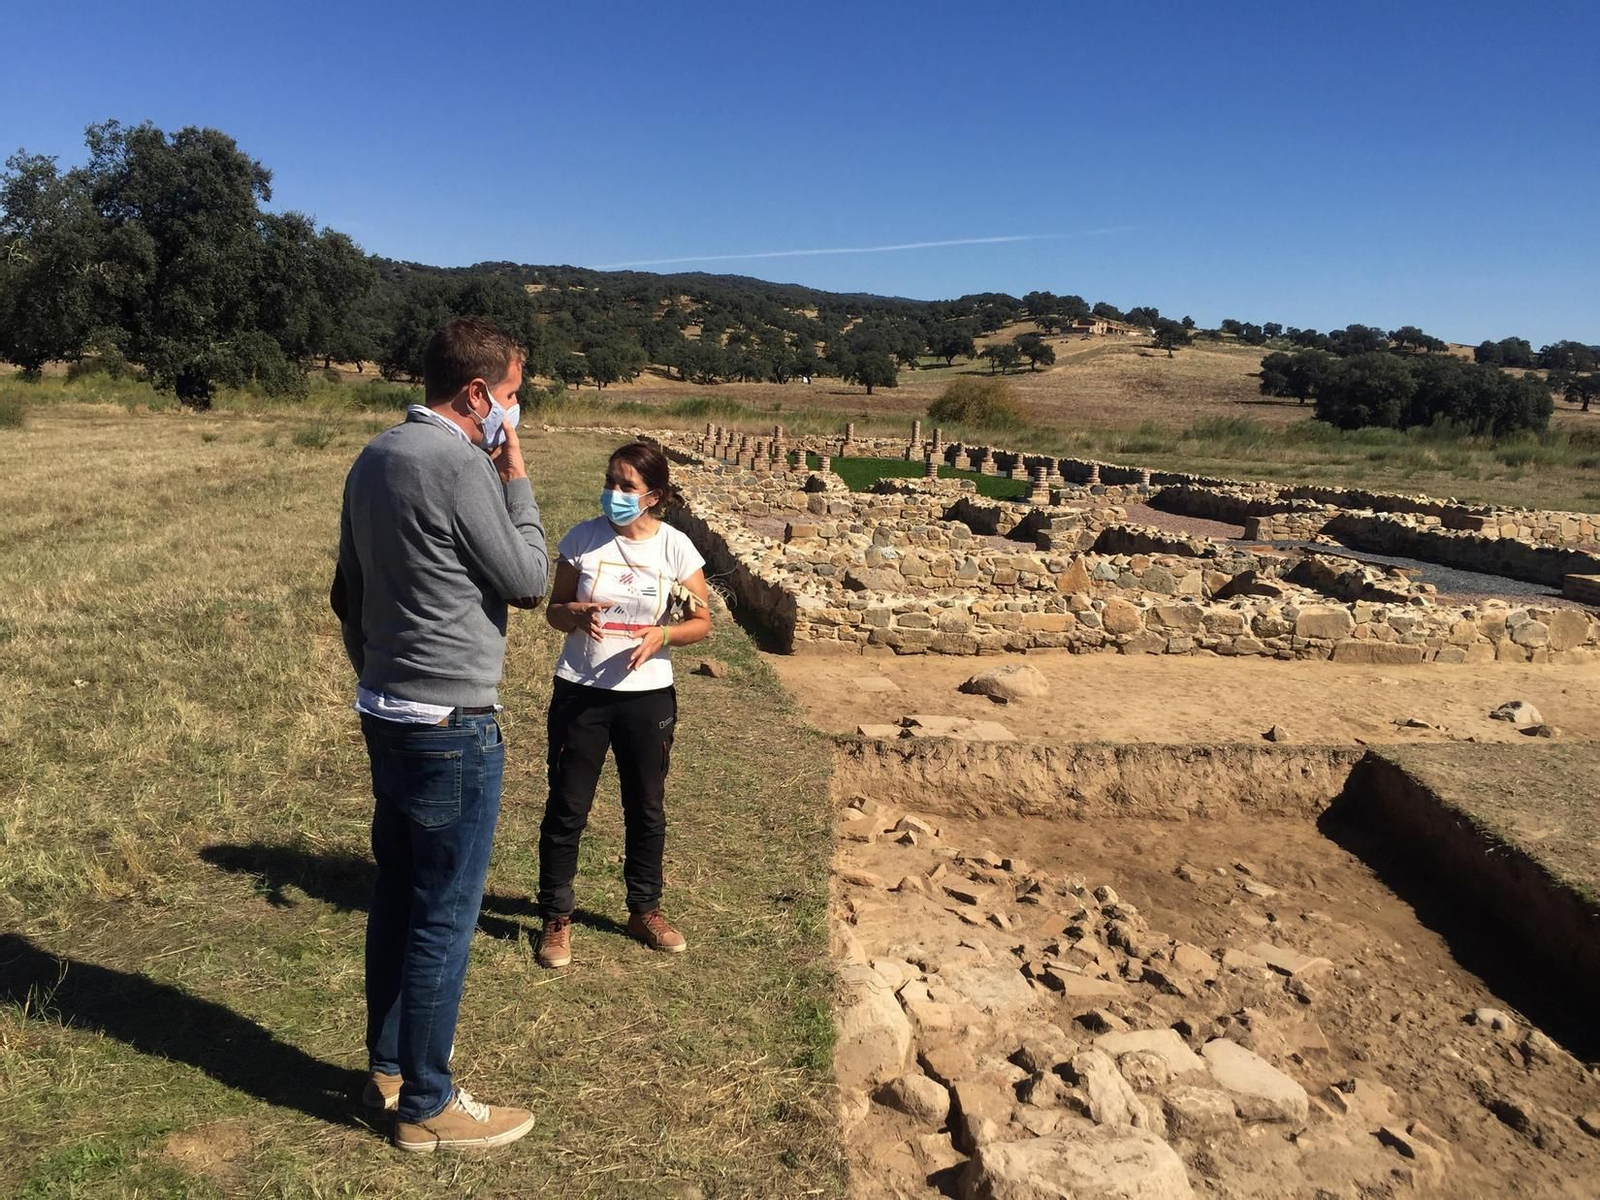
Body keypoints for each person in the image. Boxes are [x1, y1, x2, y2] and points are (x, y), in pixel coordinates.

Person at [331, 316, 548, 1152]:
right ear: (476, 393)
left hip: (385, 709)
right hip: (452, 722)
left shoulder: (374, 456)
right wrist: (515, 477)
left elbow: (345, 591)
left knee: (397, 893)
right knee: (443, 916)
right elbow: (527, 578)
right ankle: (428, 1103)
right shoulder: (459, 463)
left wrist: (378, 672)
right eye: (513, 398)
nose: (514, 414)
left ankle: (388, 1066)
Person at [535, 442, 711, 969]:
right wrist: (573, 613)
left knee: (647, 807)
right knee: (568, 807)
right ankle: (557, 917)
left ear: (652, 496)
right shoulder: (582, 540)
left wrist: (665, 636)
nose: (613, 493)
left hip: (648, 697)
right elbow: (554, 612)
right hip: (581, 692)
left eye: (626, 486)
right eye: (610, 481)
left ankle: (644, 909)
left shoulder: (676, 548)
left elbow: (702, 624)